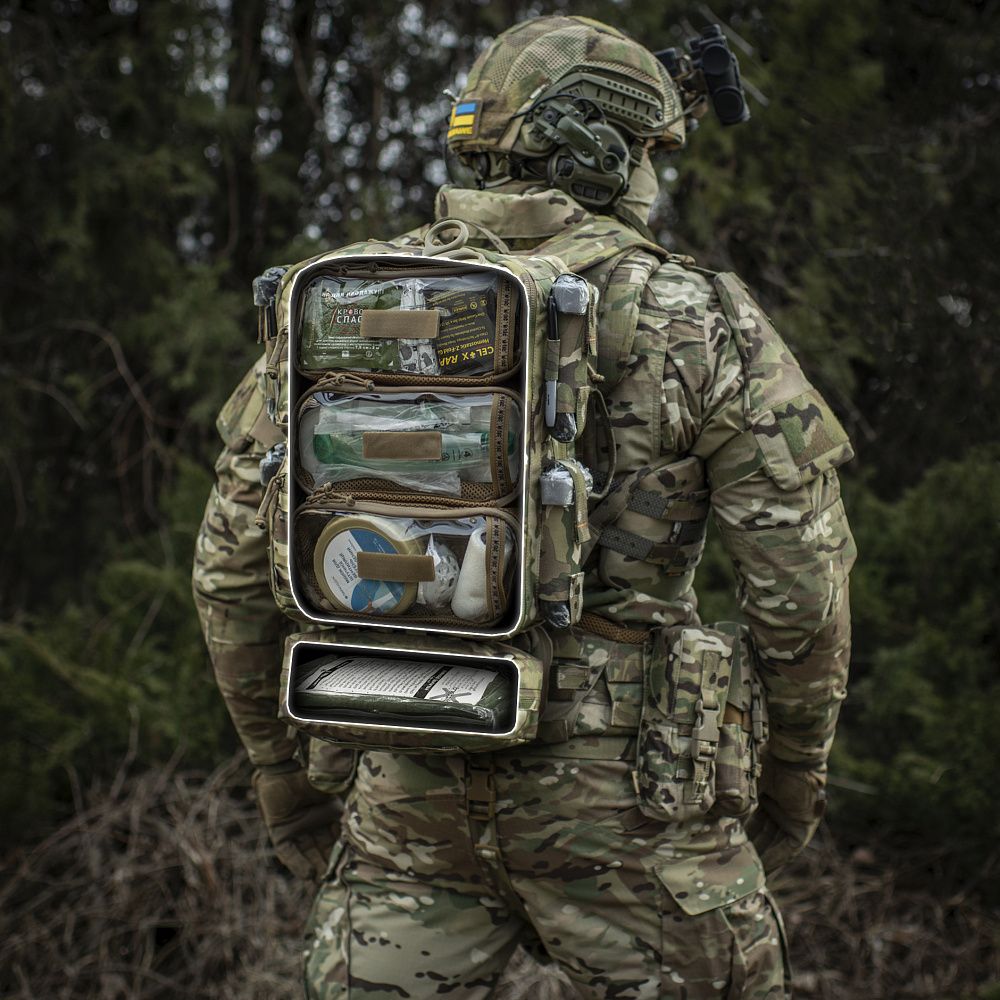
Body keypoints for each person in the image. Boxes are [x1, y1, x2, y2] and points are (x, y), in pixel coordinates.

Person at [193, 14, 856, 999]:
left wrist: (281, 774)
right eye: (651, 149)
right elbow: (801, 585)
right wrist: (792, 777)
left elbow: (229, 568)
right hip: (631, 813)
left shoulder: (342, 305)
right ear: (604, 150)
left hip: (406, 798)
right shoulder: (697, 317)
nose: (655, 173)